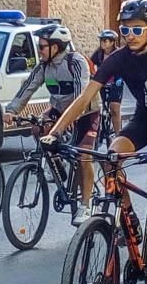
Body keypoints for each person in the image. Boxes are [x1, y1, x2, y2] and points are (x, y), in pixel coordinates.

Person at [43, 0, 147, 284]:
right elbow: (85, 98)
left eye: (137, 29)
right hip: (145, 120)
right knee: (111, 157)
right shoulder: (119, 58)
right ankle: (127, 219)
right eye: (125, 29)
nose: (130, 35)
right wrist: (55, 133)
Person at [6, 25, 99, 224]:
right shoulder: (44, 66)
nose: (39, 50)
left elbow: (80, 95)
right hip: (58, 109)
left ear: (56, 47)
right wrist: (12, 110)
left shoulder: (76, 62)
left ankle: (86, 203)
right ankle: (56, 163)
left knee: (83, 155)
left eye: (42, 47)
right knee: (37, 128)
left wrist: (70, 120)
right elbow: (27, 88)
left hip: (85, 113)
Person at [91, 29, 123, 137]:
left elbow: (125, 68)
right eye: (101, 40)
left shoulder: (118, 54)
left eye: (105, 41)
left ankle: (119, 134)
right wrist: (92, 75)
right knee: (99, 107)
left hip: (116, 84)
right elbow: (91, 65)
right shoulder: (98, 54)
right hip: (101, 84)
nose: (103, 43)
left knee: (114, 108)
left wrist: (120, 79)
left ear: (113, 42)